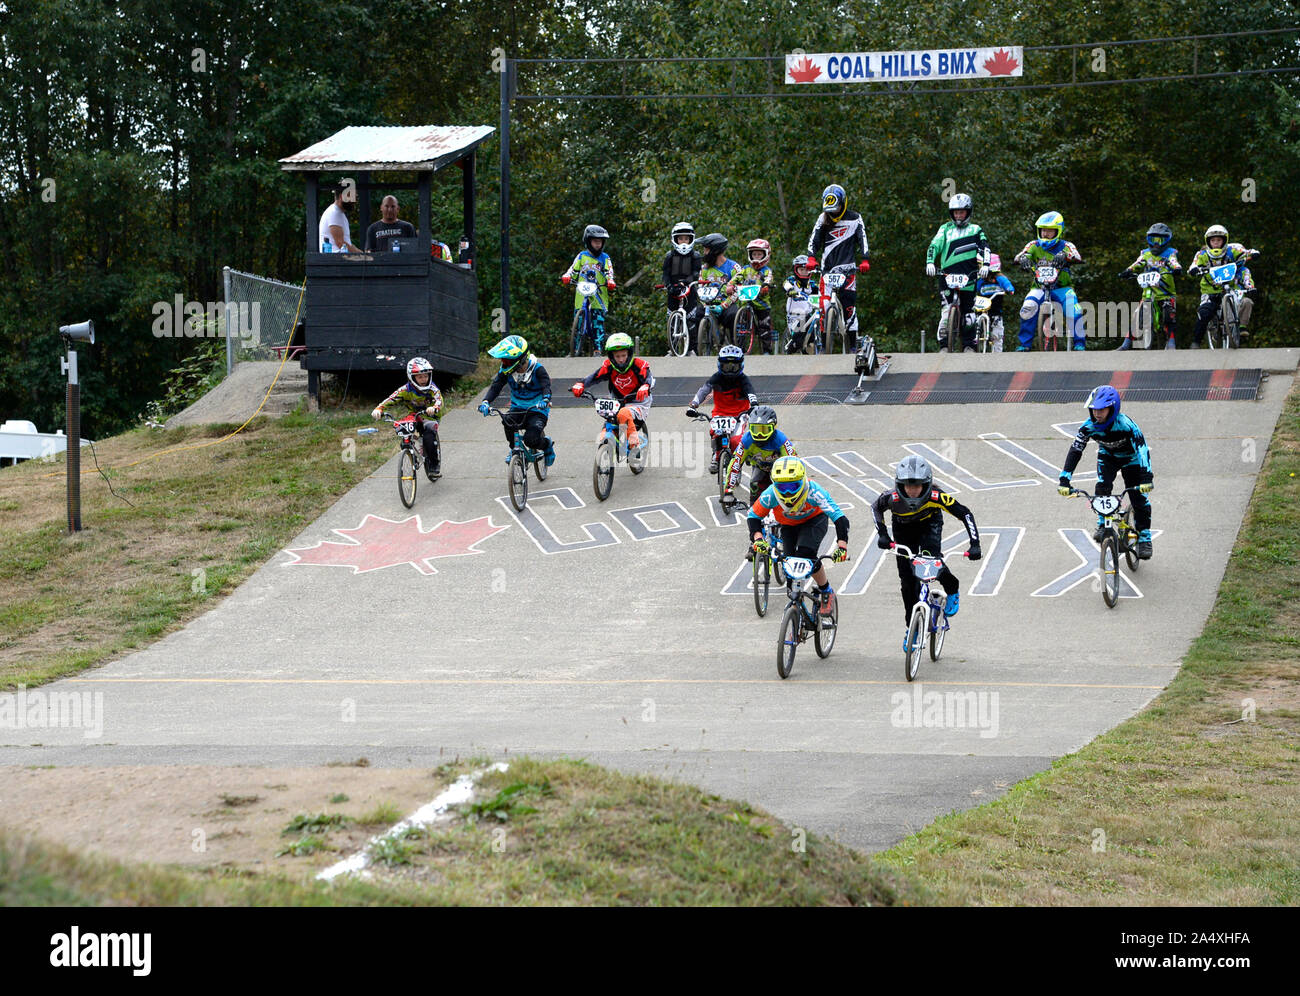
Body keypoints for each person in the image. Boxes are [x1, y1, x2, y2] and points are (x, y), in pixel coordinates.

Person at [873, 455, 981, 650]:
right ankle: (912, 629)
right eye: (907, 486)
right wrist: (882, 534)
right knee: (907, 584)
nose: (912, 491)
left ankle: (952, 586)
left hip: (928, 526)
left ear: (927, 484)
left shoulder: (936, 496)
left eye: (917, 486)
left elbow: (965, 513)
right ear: (899, 485)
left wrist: (975, 543)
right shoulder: (891, 498)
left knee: (931, 562)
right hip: (902, 529)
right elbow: (875, 508)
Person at [1057, 385, 1154, 559]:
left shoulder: (1126, 425)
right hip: (1107, 457)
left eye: (1102, 409)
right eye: (1094, 409)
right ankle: (1102, 524)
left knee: (1138, 496)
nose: (1097, 414)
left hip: (1131, 460)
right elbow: (1075, 451)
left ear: (1113, 408)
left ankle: (1145, 537)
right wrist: (1064, 479)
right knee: (1102, 488)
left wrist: (1146, 477)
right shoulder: (1088, 427)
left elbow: (1142, 449)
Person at [748, 457, 849, 616]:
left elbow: (839, 518)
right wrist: (758, 538)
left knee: (805, 555)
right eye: (782, 486)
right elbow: (753, 516)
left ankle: (826, 591)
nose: (787, 492)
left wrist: (842, 545)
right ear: (774, 484)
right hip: (789, 525)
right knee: (790, 568)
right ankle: (796, 616)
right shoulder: (771, 494)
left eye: (793, 485)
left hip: (814, 521)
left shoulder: (814, 491)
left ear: (803, 481)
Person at [725, 405, 797, 558]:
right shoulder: (747, 440)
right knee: (754, 505)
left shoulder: (781, 440)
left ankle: (790, 535)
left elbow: (795, 463)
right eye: (755, 430)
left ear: (773, 427)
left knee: (789, 502)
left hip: (781, 474)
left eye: (764, 430)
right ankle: (755, 542)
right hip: (761, 472)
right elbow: (735, 463)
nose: (759, 435)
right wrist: (728, 490)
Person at [806, 183, 871, 347]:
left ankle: (852, 346)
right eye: (830, 210)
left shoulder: (855, 218)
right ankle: (822, 344)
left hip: (848, 271)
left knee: (849, 309)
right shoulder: (823, 218)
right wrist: (811, 258)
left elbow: (863, 239)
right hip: (827, 271)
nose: (833, 212)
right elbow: (814, 240)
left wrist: (865, 259)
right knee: (823, 306)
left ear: (843, 203)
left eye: (836, 208)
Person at [925, 193, 990, 353]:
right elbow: (934, 245)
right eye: (956, 212)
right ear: (951, 213)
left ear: (968, 212)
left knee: (969, 313)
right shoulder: (945, 229)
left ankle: (969, 344)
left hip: (969, 276)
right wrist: (930, 262)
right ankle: (943, 345)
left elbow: (984, 247)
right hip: (947, 276)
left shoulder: (975, 229)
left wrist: (986, 264)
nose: (959, 215)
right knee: (946, 310)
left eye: (962, 212)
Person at [1013, 211, 1087, 351]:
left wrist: (1065, 256)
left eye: (1049, 231)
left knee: (1075, 311)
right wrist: (1023, 258)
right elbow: (1020, 255)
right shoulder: (1034, 245)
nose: (1045, 234)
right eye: (1043, 230)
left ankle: (1079, 343)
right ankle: (1025, 345)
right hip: (1039, 287)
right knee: (1027, 309)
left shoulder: (1066, 245)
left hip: (1062, 288)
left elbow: (1077, 255)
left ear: (1058, 231)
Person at [478, 335, 556, 467]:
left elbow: (546, 386)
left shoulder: (537, 369)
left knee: (531, 440)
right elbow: (495, 387)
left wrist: (546, 399)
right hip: (517, 408)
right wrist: (486, 402)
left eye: (507, 361)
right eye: (503, 361)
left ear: (520, 359)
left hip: (537, 410)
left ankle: (547, 445)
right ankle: (514, 449)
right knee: (507, 420)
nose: (504, 364)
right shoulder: (506, 372)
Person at [569, 332, 653, 451]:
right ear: (611, 356)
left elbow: (648, 378)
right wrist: (581, 383)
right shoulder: (608, 366)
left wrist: (646, 386)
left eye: (623, 355)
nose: (621, 360)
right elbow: (594, 377)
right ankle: (606, 450)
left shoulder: (639, 365)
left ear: (629, 353)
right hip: (617, 402)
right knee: (609, 422)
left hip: (638, 403)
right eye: (617, 356)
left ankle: (634, 444)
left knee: (624, 413)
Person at [685, 344, 757, 475]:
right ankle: (716, 455)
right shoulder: (716, 377)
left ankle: (740, 458)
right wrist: (694, 405)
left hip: (740, 414)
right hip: (720, 412)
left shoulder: (743, 379)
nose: (729, 370)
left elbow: (750, 392)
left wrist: (754, 404)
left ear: (740, 365)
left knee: (736, 440)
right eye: (726, 366)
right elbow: (704, 391)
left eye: (733, 367)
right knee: (715, 433)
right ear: (720, 365)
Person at [1187, 224, 1260, 348]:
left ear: (1224, 240)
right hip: (1210, 290)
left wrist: (1253, 253)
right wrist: (1194, 270)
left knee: (1246, 301)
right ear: (1208, 242)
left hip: (1232, 288)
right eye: (1213, 240)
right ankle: (1196, 342)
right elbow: (1193, 266)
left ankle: (1240, 327)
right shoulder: (1202, 254)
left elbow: (1247, 253)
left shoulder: (1234, 249)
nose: (1216, 243)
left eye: (1219, 240)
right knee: (1204, 312)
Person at [371, 357, 443, 479]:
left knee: (429, 433)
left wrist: (434, 407)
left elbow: (439, 401)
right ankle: (408, 449)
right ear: (412, 377)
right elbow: (391, 399)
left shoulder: (433, 389)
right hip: (414, 416)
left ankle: (434, 465)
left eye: (426, 376)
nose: (424, 379)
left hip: (430, 416)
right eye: (420, 377)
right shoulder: (405, 390)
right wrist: (379, 408)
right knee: (404, 428)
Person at [1118, 222, 1182, 350]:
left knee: (1170, 315)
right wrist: (1128, 271)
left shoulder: (1170, 253)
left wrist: (1176, 268)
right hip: (1148, 291)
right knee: (1137, 314)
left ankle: (1171, 341)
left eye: (1160, 240)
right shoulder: (1145, 253)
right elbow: (1138, 263)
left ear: (1166, 241)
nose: (1156, 244)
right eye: (1153, 240)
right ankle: (1127, 342)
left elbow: (1174, 262)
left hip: (1165, 292)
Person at [561, 224, 616, 351]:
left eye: (600, 242)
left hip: (599, 294)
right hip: (582, 293)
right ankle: (575, 349)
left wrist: (610, 280)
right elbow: (572, 269)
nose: (598, 244)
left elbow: (609, 272)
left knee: (598, 321)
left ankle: (598, 348)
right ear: (588, 241)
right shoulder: (582, 256)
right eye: (595, 241)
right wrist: (567, 276)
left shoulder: (605, 258)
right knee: (578, 320)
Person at [689, 233, 741, 354]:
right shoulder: (704, 269)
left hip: (726, 304)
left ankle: (736, 346)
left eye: (706, 249)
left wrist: (723, 306)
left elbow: (739, 290)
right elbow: (701, 287)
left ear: (715, 250)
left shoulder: (734, 267)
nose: (704, 252)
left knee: (732, 315)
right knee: (695, 315)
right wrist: (705, 304)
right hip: (709, 304)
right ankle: (695, 349)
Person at [722, 238, 777, 353]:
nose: (756, 257)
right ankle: (739, 347)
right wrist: (730, 284)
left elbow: (769, 278)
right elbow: (737, 277)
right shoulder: (746, 269)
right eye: (754, 254)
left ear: (766, 255)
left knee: (764, 326)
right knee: (741, 326)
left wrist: (766, 285)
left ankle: (767, 350)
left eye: (759, 254)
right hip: (745, 301)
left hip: (761, 303)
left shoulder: (766, 271)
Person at [662, 221, 702, 350]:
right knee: (671, 321)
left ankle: (692, 350)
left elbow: (696, 273)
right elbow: (666, 274)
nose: (683, 241)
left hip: (689, 290)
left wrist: (685, 283)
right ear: (675, 240)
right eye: (680, 239)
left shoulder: (695, 256)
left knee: (691, 320)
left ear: (691, 239)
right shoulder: (669, 256)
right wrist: (669, 286)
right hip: (673, 290)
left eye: (686, 238)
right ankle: (671, 347)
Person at [972, 253, 1015, 352]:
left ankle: (997, 353)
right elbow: (974, 287)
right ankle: (975, 340)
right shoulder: (981, 280)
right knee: (974, 322)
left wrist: (1009, 289)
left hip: (995, 310)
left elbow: (1007, 284)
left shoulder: (999, 278)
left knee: (997, 334)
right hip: (982, 309)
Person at [783, 254, 819, 353]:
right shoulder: (792, 281)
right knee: (798, 342)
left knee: (810, 341)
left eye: (806, 269)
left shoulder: (812, 284)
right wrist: (790, 290)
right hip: (794, 316)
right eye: (801, 270)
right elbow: (785, 284)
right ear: (796, 270)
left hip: (808, 315)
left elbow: (821, 291)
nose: (804, 272)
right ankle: (792, 346)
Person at [319, 185, 359, 253]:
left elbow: (347, 243)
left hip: (339, 260)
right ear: (341, 197)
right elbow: (340, 243)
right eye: (352, 197)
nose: (355, 201)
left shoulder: (339, 213)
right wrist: (363, 256)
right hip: (335, 261)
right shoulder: (334, 213)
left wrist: (362, 254)